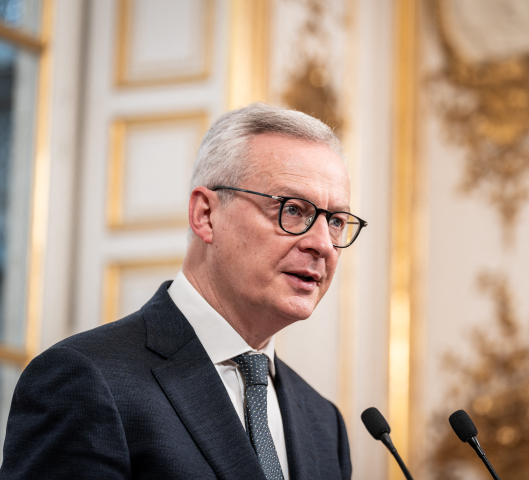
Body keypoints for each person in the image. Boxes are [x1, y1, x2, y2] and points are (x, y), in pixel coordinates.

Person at [0, 103, 366, 479]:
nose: (322, 244)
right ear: (206, 215)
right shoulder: (85, 381)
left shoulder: (324, 424)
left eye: (336, 221)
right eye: (293, 210)